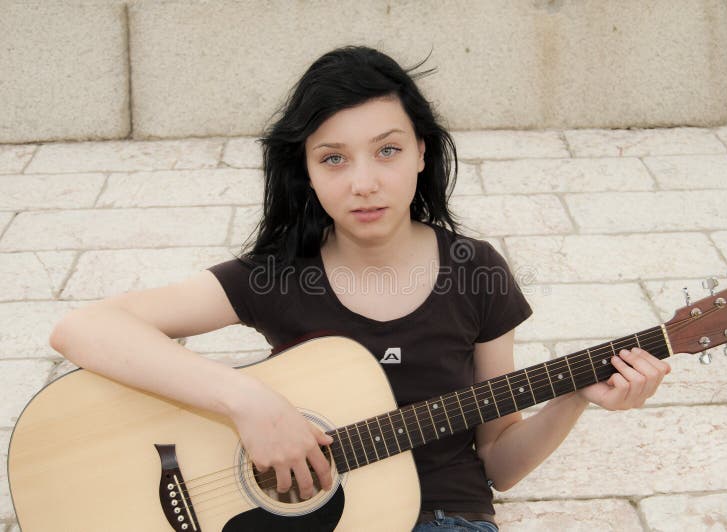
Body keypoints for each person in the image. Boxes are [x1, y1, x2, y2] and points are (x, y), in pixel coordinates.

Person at [49, 46, 671, 532]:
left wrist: (574, 398)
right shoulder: (279, 274)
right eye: (335, 159)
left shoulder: (475, 270)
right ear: (308, 172)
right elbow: (81, 329)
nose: (365, 182)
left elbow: (500, 464)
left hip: (443, 515)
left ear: (422, 154)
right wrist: (250, 403)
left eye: (387, 151)